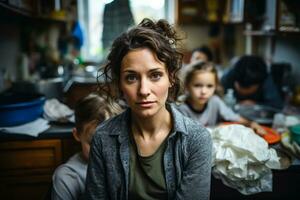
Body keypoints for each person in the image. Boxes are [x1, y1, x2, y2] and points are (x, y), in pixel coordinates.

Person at [85, 18, 212, 200]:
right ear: (120, 84)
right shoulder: (103, 138)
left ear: (171, 77)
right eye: (131, 78)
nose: (144, 91)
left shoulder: (196, 140)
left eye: (155, 75)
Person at [51, 93, 122, 200]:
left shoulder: (126, 163)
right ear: (77, 135)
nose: (103, 153)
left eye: (112, 143)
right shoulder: (67, 177)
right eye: (93, 144)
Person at [177, 61, 266, 135]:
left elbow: (234, 117)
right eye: (197, 85)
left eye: (209, 86)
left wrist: (251, 123)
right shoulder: (180, 108)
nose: (204, 91)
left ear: (215, 86)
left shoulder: (215, 101)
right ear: (187, 86)